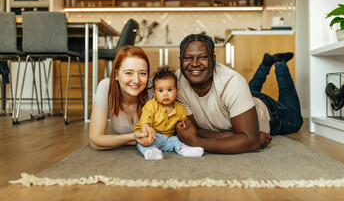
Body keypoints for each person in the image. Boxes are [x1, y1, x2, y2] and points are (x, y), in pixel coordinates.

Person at [175, 33, 303, 154]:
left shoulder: (233, 82)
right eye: (188, 58)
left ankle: (281, 64)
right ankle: (265, 65)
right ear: (181, 60)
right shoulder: (176, 83)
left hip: (269, 111)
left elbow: (251, 143)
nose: (195, 63)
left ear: (213, 59)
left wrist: (196, 141)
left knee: (296, 120)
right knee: (248, 89)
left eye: (202, 57)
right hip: (241, 100)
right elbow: (195, 130)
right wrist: (236, 136)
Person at [89, 45, 155, 150]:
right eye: (129, 73)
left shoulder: (154, 88)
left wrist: (113, 141)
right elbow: (95, 141)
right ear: (116, 74)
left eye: (142, 73)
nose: (136, 80)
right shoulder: (106, 87)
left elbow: (165, 135)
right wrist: (133, 137)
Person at [134, 66, 204, 160]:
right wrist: (147, 130)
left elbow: (184, 123)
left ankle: (185, 150)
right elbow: (145, 120)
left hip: (169, 138)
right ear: (155, 94)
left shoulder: (180, 109)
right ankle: (151, 152)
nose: (165, 94)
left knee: (177, 140)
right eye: (161, 90)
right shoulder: (151, 105)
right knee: (141, 143)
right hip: (153, 136)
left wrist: (185, 129)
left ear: (176, 92)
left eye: (170, 90)